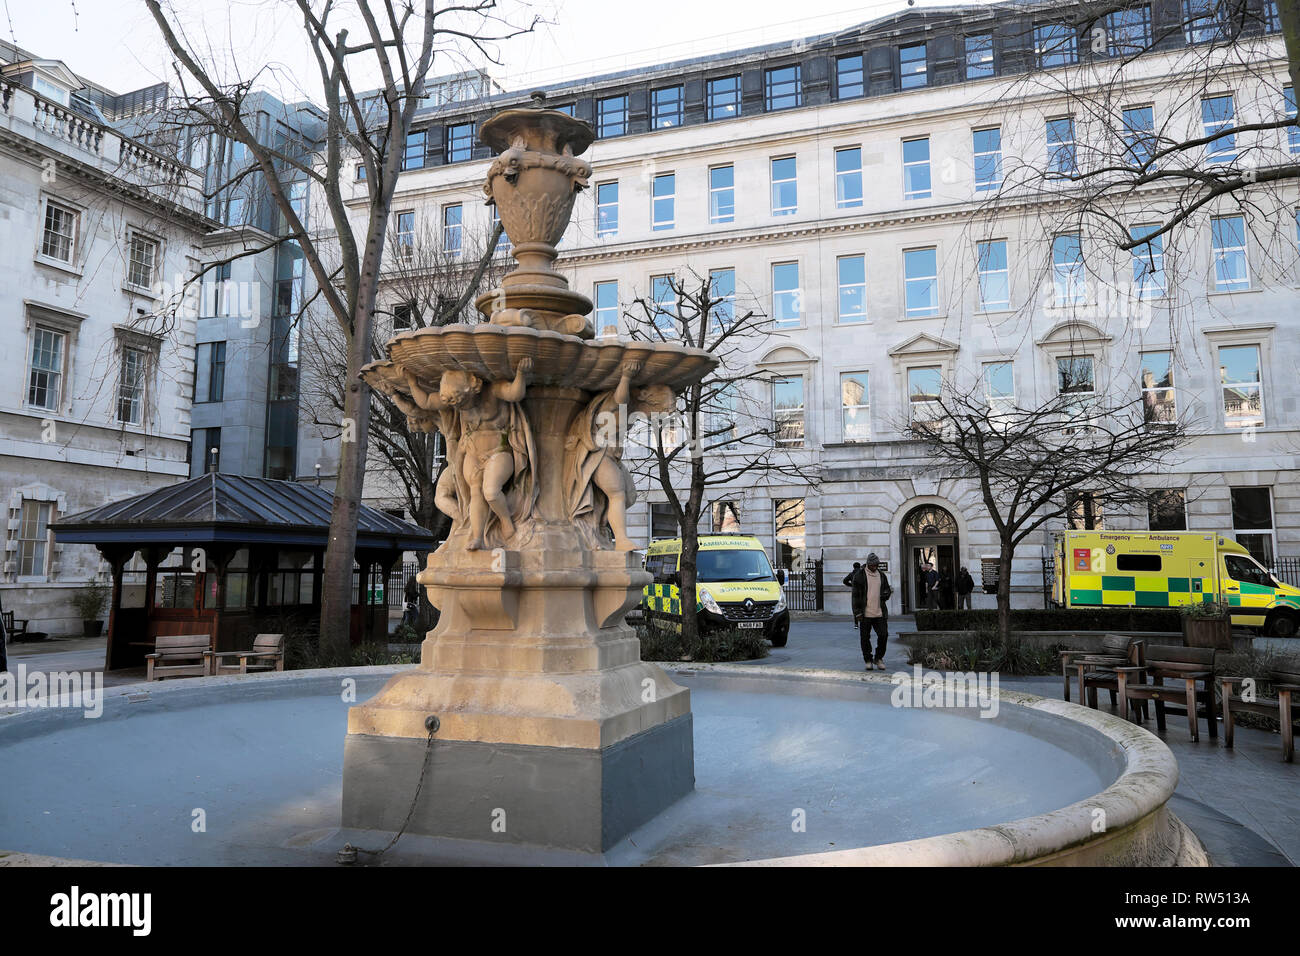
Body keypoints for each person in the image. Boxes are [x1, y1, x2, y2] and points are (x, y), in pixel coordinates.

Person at [848, 553, 892, 671]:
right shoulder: (859, 576)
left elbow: (887, 589)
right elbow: (855, 596)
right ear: (868, 564)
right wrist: (857, 613)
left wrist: (886, 594)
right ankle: (868, 660)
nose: (875, 567)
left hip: (879, 612)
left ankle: (878, 658)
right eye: (872, 565)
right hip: (865, 613)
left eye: (876, 565)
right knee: (865, 638)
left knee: (884, 635)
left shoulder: (882, 575)